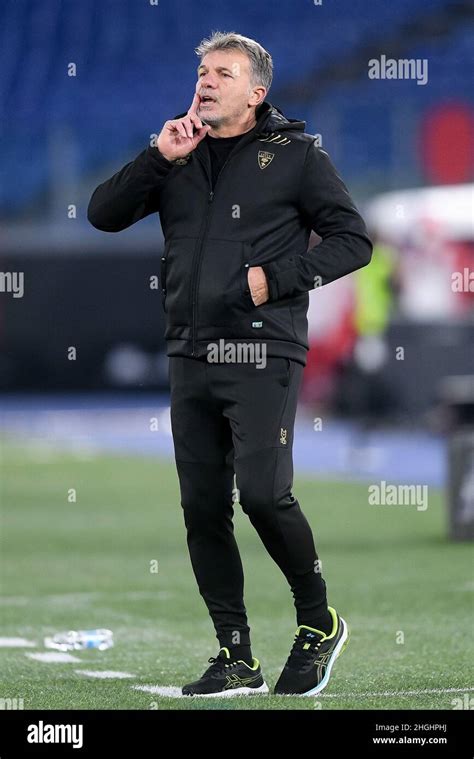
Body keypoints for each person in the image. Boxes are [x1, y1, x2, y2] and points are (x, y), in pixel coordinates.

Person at [87, 31, 372, 697]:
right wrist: (156, 157)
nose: (207, 81)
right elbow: (103, 213)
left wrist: (278, 278)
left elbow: (353, 240)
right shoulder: (175, 156)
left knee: (265, 492)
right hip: (190, 349)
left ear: (256, 93)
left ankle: (317, 620)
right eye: (203, 72)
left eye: (224, 72)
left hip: (263, 346)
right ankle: (235, 654)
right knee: (203, 505)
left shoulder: (297, 156)